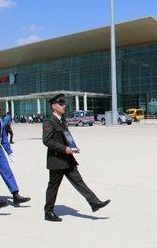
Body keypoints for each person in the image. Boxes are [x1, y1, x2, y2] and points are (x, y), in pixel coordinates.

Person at [42, 94, 110, 222]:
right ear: (53, 106)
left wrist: (73, 147)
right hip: (56, 160)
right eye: (61, 104)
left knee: (79, 181)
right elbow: (47, 141)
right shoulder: (49, 121)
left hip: (68, 158)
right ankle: (48, 212)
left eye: (64, 103)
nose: (64, 106)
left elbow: (66, 136)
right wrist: (64, 149)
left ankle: (94, 202)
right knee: (53, 186)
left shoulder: (62, 120)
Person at [0, 115, 30, 206]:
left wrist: (9, 152)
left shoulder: (0, 121)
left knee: (7, 172)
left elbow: (4, 138)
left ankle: (15, 195)